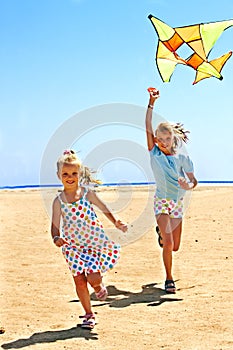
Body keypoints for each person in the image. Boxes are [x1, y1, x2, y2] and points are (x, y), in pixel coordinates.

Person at [51, 149, 127, 329]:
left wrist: (116, 221)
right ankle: (88, 314)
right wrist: (56, 237)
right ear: (58, 175)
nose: (70, 177)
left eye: (74, 173)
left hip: (93, 244)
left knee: (93, 278)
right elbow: (55, 225)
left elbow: (103, 207)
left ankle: (99, 287)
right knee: (79, 280)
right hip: (73, 247)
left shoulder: (87, 193)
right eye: (65, 174)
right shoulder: (58, 200)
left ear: (80, 173)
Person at [145, 87, 197, 294]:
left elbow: (194, 181)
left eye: (167, 139)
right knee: (168, 242)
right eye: (160, 139)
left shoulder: (183, 158)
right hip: (162, 202)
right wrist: (151, 103)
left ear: (173, 139)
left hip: (177, 204)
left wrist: (189, 185)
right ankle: (169, 278)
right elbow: (147, 126)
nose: (163, 142)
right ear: (156, 140)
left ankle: (161, 234)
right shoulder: (154, 153)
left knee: (174, 246)